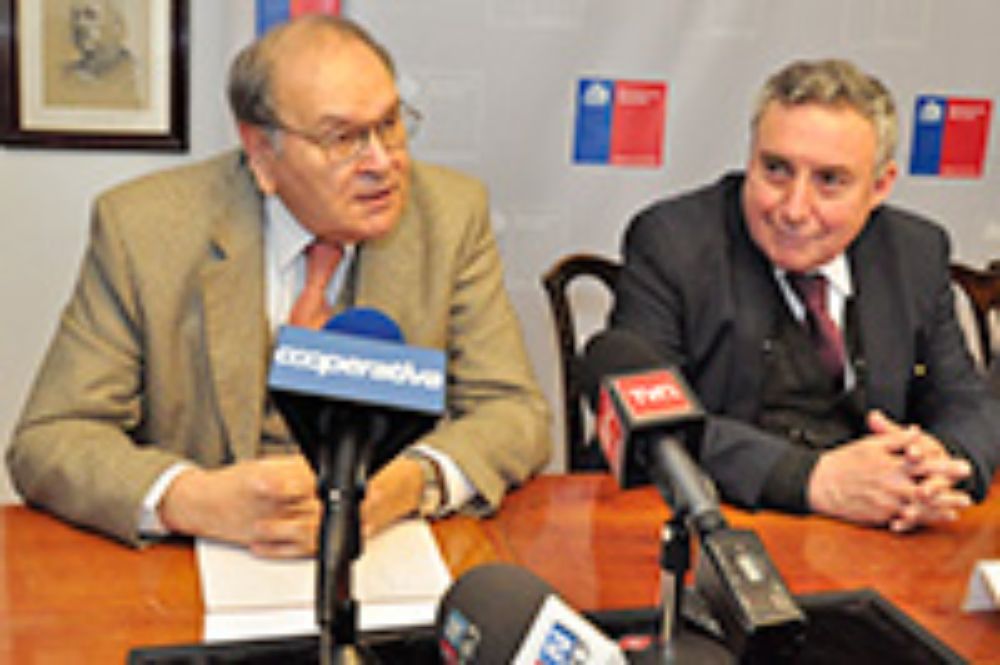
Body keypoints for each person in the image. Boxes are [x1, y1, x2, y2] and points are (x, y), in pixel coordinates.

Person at [8, 15, 551, 557]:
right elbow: (52, 437)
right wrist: (191, 498)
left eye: (389, 125)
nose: (382, 164)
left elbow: (513, 413)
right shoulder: (145, 230)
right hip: (203, 569)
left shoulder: (450, 217)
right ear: (262, 153)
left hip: (384, 557)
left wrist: (400, 488)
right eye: (343, 139)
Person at [607, 58, 1000, 532]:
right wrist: (812, 480)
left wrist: (939, 464)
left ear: (879, 186)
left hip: (880, 537)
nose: (794, 209)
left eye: (829, 181)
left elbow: (968, 402)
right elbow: (655, 430)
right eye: (775, 170)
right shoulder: (672, 242)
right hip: (718, 525)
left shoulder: (915, 251)